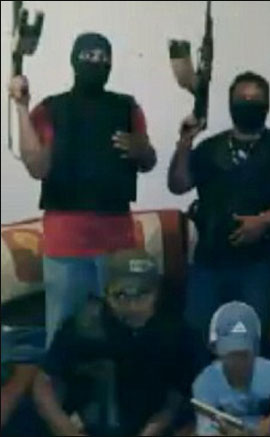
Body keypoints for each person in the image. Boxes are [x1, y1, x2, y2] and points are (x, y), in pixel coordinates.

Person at [7, 32, 157, 345]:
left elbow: (149, 161)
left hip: (117, 242)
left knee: (120, 335)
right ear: (74, 60)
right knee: (62, 338)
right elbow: (37, 167)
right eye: (89, 56)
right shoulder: (51, 109)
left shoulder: (127, 107)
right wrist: (21, 107)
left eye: (103, 58)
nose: (96, 63)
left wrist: (142, 149)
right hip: (66, 243)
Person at [168, 71, 270, 340]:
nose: (249, 104)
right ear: (230, 103)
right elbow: (178, 184)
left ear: (267, 104)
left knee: (249, 338)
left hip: (259, 263)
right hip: (209, 261)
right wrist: (185, 141)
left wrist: (264, 220)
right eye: (243, 98)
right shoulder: (209, 148)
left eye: (256, 99)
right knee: (198, 336)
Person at [33, 249, 204, 436]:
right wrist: (67, 430)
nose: (132, 305)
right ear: (106, 294)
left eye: (142, 294)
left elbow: (185, 395)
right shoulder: (82, 328)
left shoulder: (176, 332)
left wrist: (156, 428)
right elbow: (44, 384)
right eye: (121, 295)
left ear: (157, 293)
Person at [191, 301, 270, 436]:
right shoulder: (204, 383)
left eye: (243, 355)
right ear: (216, 349)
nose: (237, 362)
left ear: (256, 350)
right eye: (231, 354)